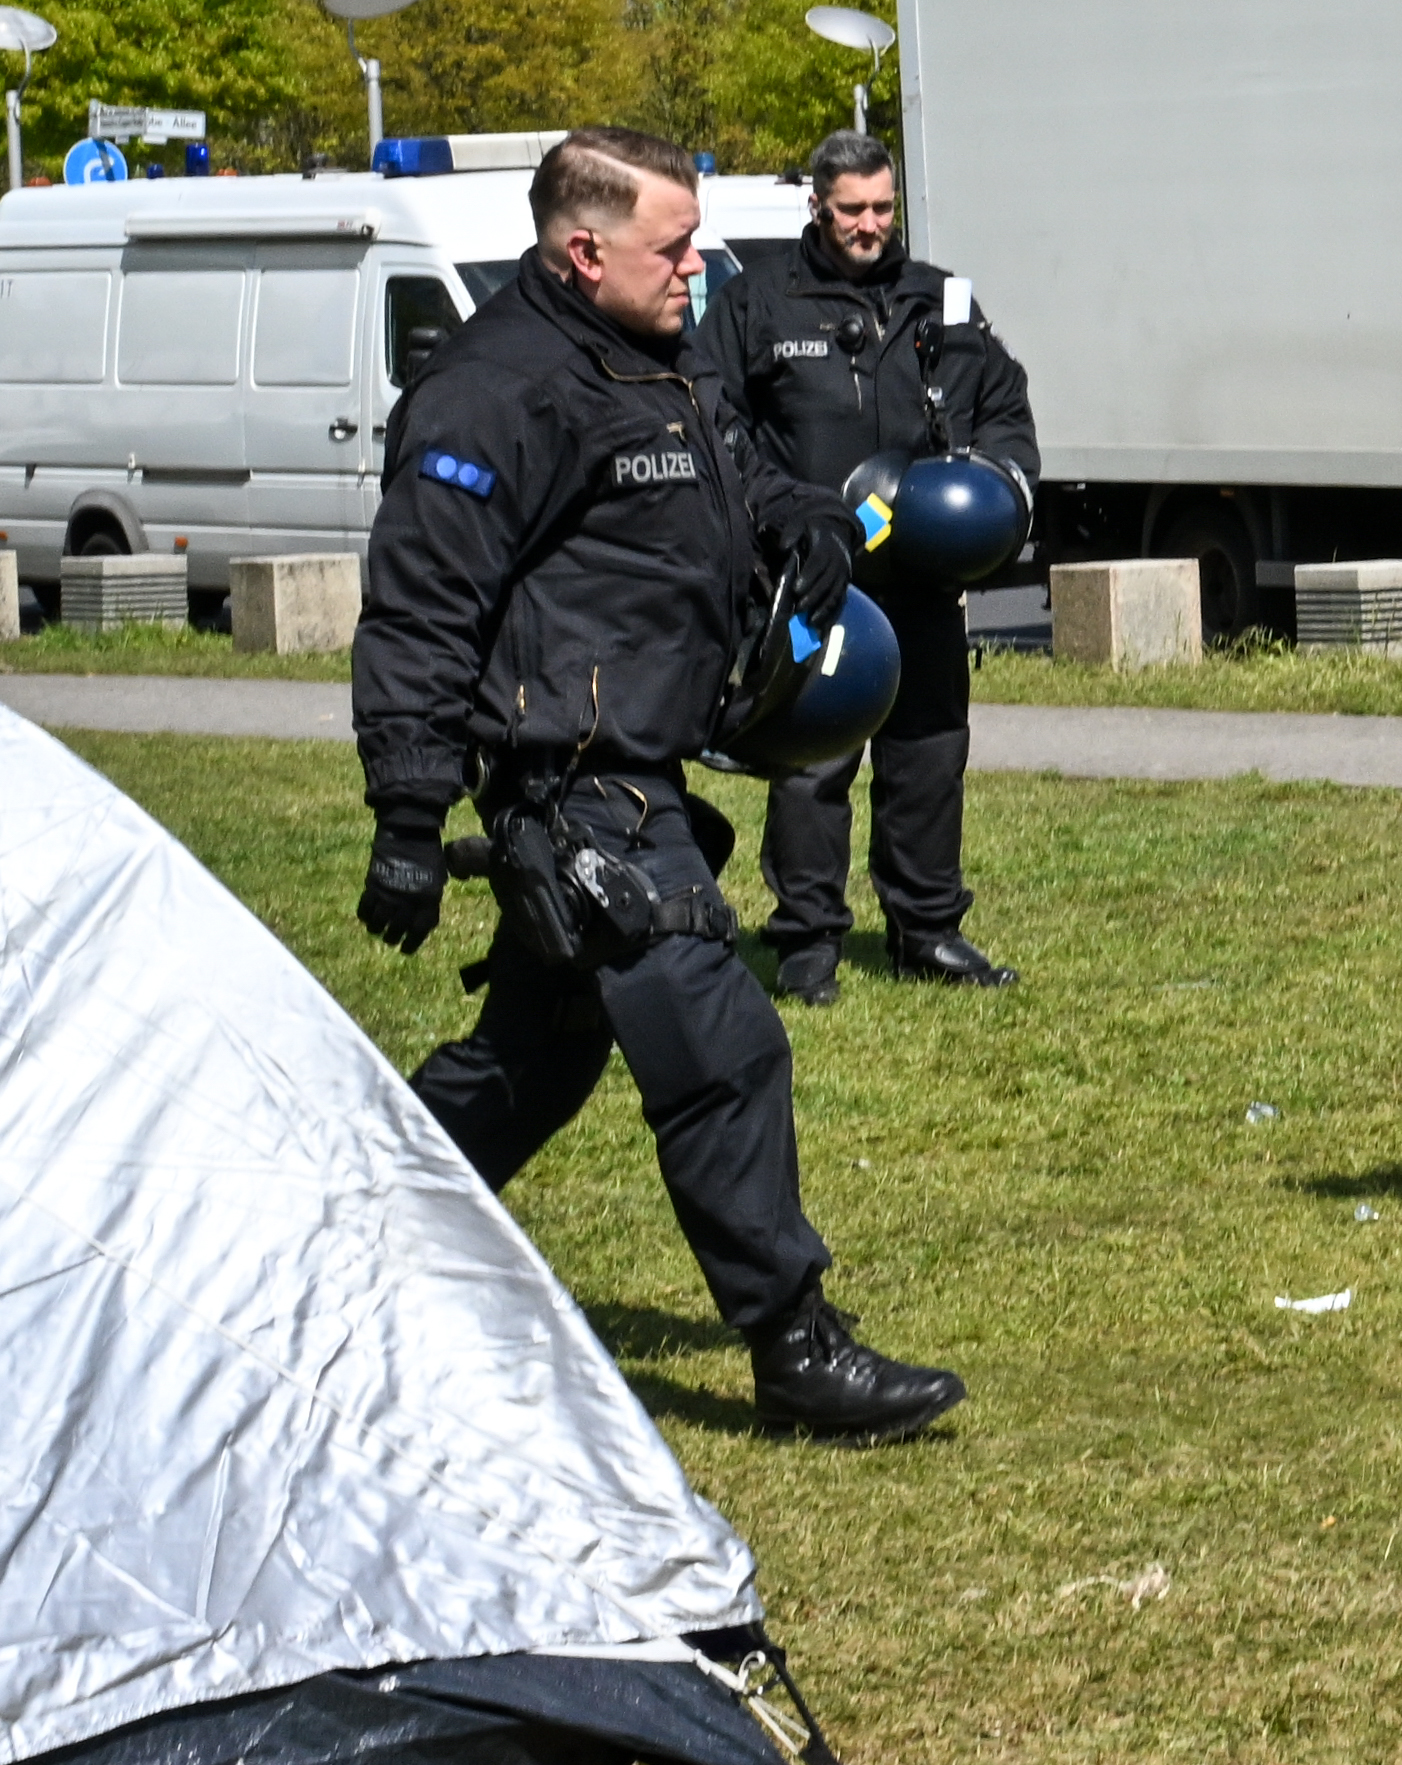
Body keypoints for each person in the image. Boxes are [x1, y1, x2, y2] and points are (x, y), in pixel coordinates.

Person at [352, 129, 965, 1442]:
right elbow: (418, 613)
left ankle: (342, 1235)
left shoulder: (661, 352)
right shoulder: (488, 393)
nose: (700, 265)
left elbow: (733, 470)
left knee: (530, 1064)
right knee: (724, 1049)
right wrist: (410, 816)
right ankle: (795, 1349)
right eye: (672, 245)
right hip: (571, 783)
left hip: (638, 759)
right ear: (585, 249)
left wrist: (799, 522)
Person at [694, 130, 1042, 1002]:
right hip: (813, 573)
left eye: (883, 208)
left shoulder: (942, 302)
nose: (870, 225)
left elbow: (1003, 404)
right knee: (813, 761)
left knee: (929, 752)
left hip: (924, 570)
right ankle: (807, 939)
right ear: (817, 205)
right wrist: (785, 518)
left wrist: (1005, 482)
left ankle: (927, 928)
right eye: (852, 209)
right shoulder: (755, 304)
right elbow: (713, 420)